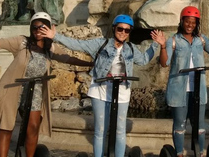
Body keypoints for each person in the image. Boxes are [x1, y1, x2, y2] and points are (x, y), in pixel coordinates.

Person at [0, 12, 89, 157]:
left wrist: (92, 64)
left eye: (42, 27)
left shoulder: (51, 48)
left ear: (49, 28)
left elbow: (68, 59)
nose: (38, 31)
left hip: (35, 89)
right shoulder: (22, 42)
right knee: (6, 126)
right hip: (14, 87)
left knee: (33, 126)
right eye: (35, 28)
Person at [38, 14, 161, 157]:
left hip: (122, 91)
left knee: (120, 129)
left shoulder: (130, 48)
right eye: (120, 29)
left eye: (127, 30)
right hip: (100, 89)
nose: (123, 33)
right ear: (114, 28)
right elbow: (78, 45)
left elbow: (144, 59)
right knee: (100, 129)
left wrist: (156, 44)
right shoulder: (101, 44)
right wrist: (55, 36)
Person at [152, 6, 209, 157]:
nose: (190, 25)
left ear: (197, 24)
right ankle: (179, 154)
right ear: (181, 21)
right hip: (178, 90)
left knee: (200, 126)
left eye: (193, 23)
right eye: (187, 22)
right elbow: (164, 62)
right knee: (180, 126)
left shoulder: (201, 39)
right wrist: (162, 46)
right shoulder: (174, 40)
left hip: (198, 90)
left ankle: (200, 153)